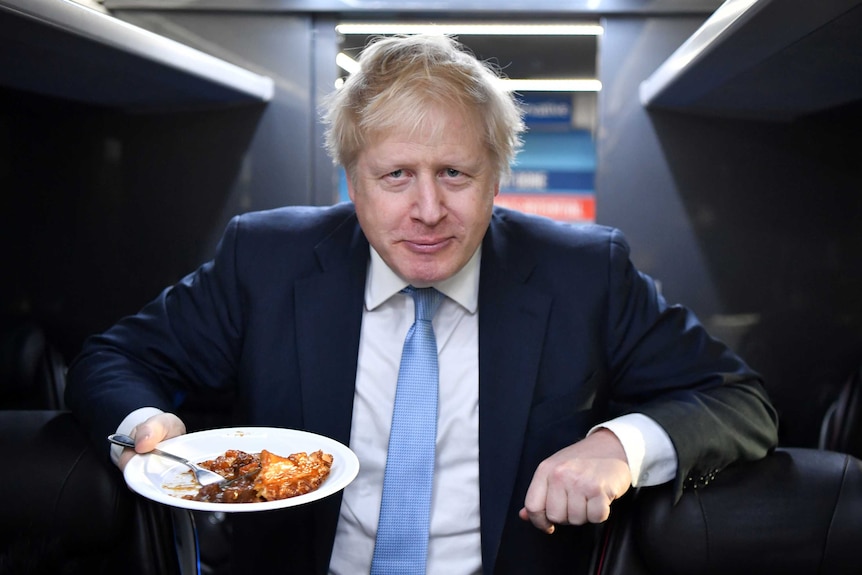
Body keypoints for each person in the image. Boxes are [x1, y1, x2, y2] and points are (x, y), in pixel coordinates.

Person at [66, 34, 778, 574]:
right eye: (397, 174)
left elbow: (738, 399)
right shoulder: (265, 260)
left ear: (497, 175)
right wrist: (144, 423)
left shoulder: (584, 271)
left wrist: (617, 446)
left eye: (456, 173)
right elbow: (113, 357)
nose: (428, 210)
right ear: (352, 175)